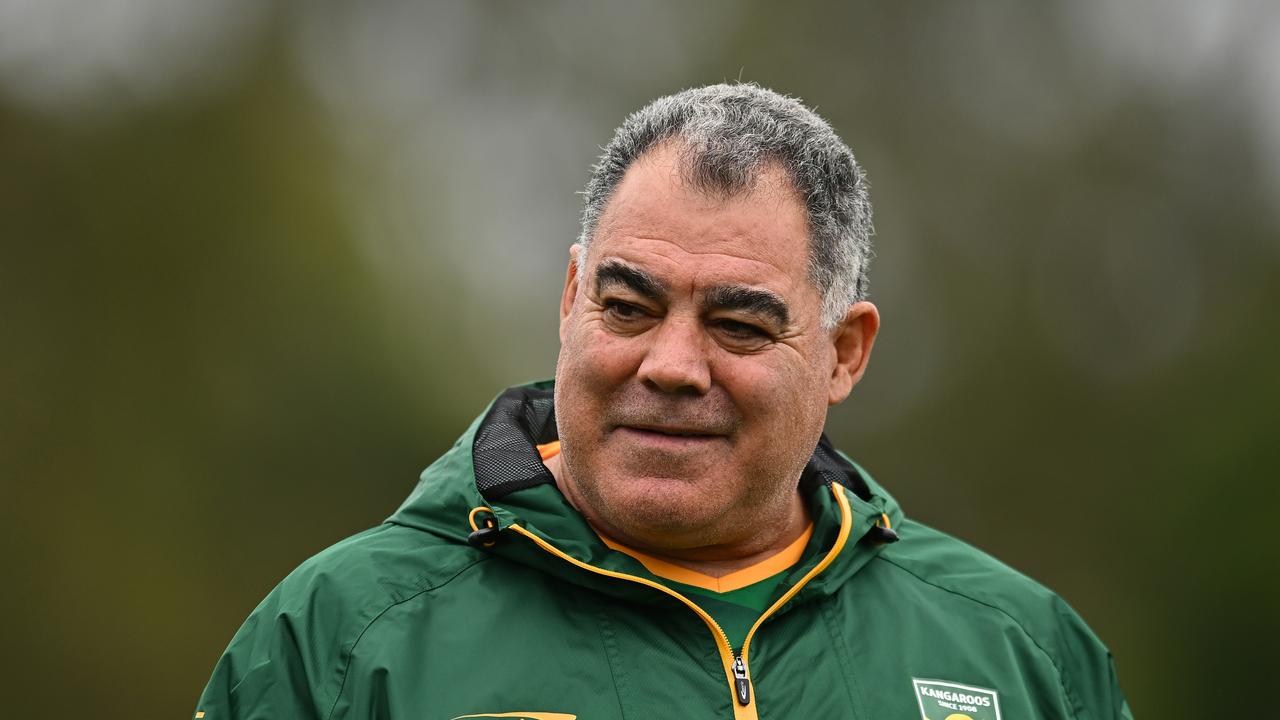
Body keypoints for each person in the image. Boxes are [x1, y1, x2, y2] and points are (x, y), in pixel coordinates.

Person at [196, 83, 1133, 720]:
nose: (672, 365)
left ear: (844, 354)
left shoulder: (1022, 658)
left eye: (738, 325)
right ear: (570, 302)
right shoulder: (340, 640)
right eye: (630, 306)